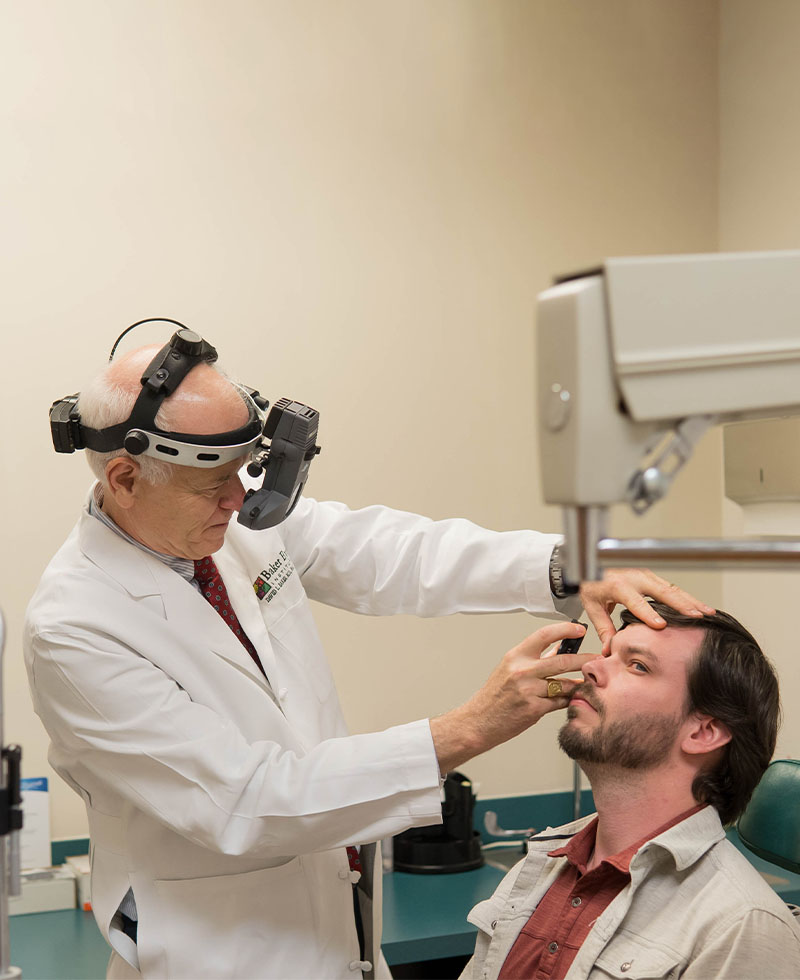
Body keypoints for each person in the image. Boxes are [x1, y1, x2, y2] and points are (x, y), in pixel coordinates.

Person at [25, 333, 713, 980]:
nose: (241, 503)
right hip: (219, 953)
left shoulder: (223, 525)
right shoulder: (76, 626)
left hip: (334, 925)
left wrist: (564, 567)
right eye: (216, 486)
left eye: (245, 473)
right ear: (124, 477)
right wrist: (470, 727)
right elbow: (249, 802)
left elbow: (395, 554)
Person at [462, 601, 800, 980]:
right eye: (607, 654)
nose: (590, 667)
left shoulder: (741, 927)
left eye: (637, 665)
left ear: (702, 732)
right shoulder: (543, 861)